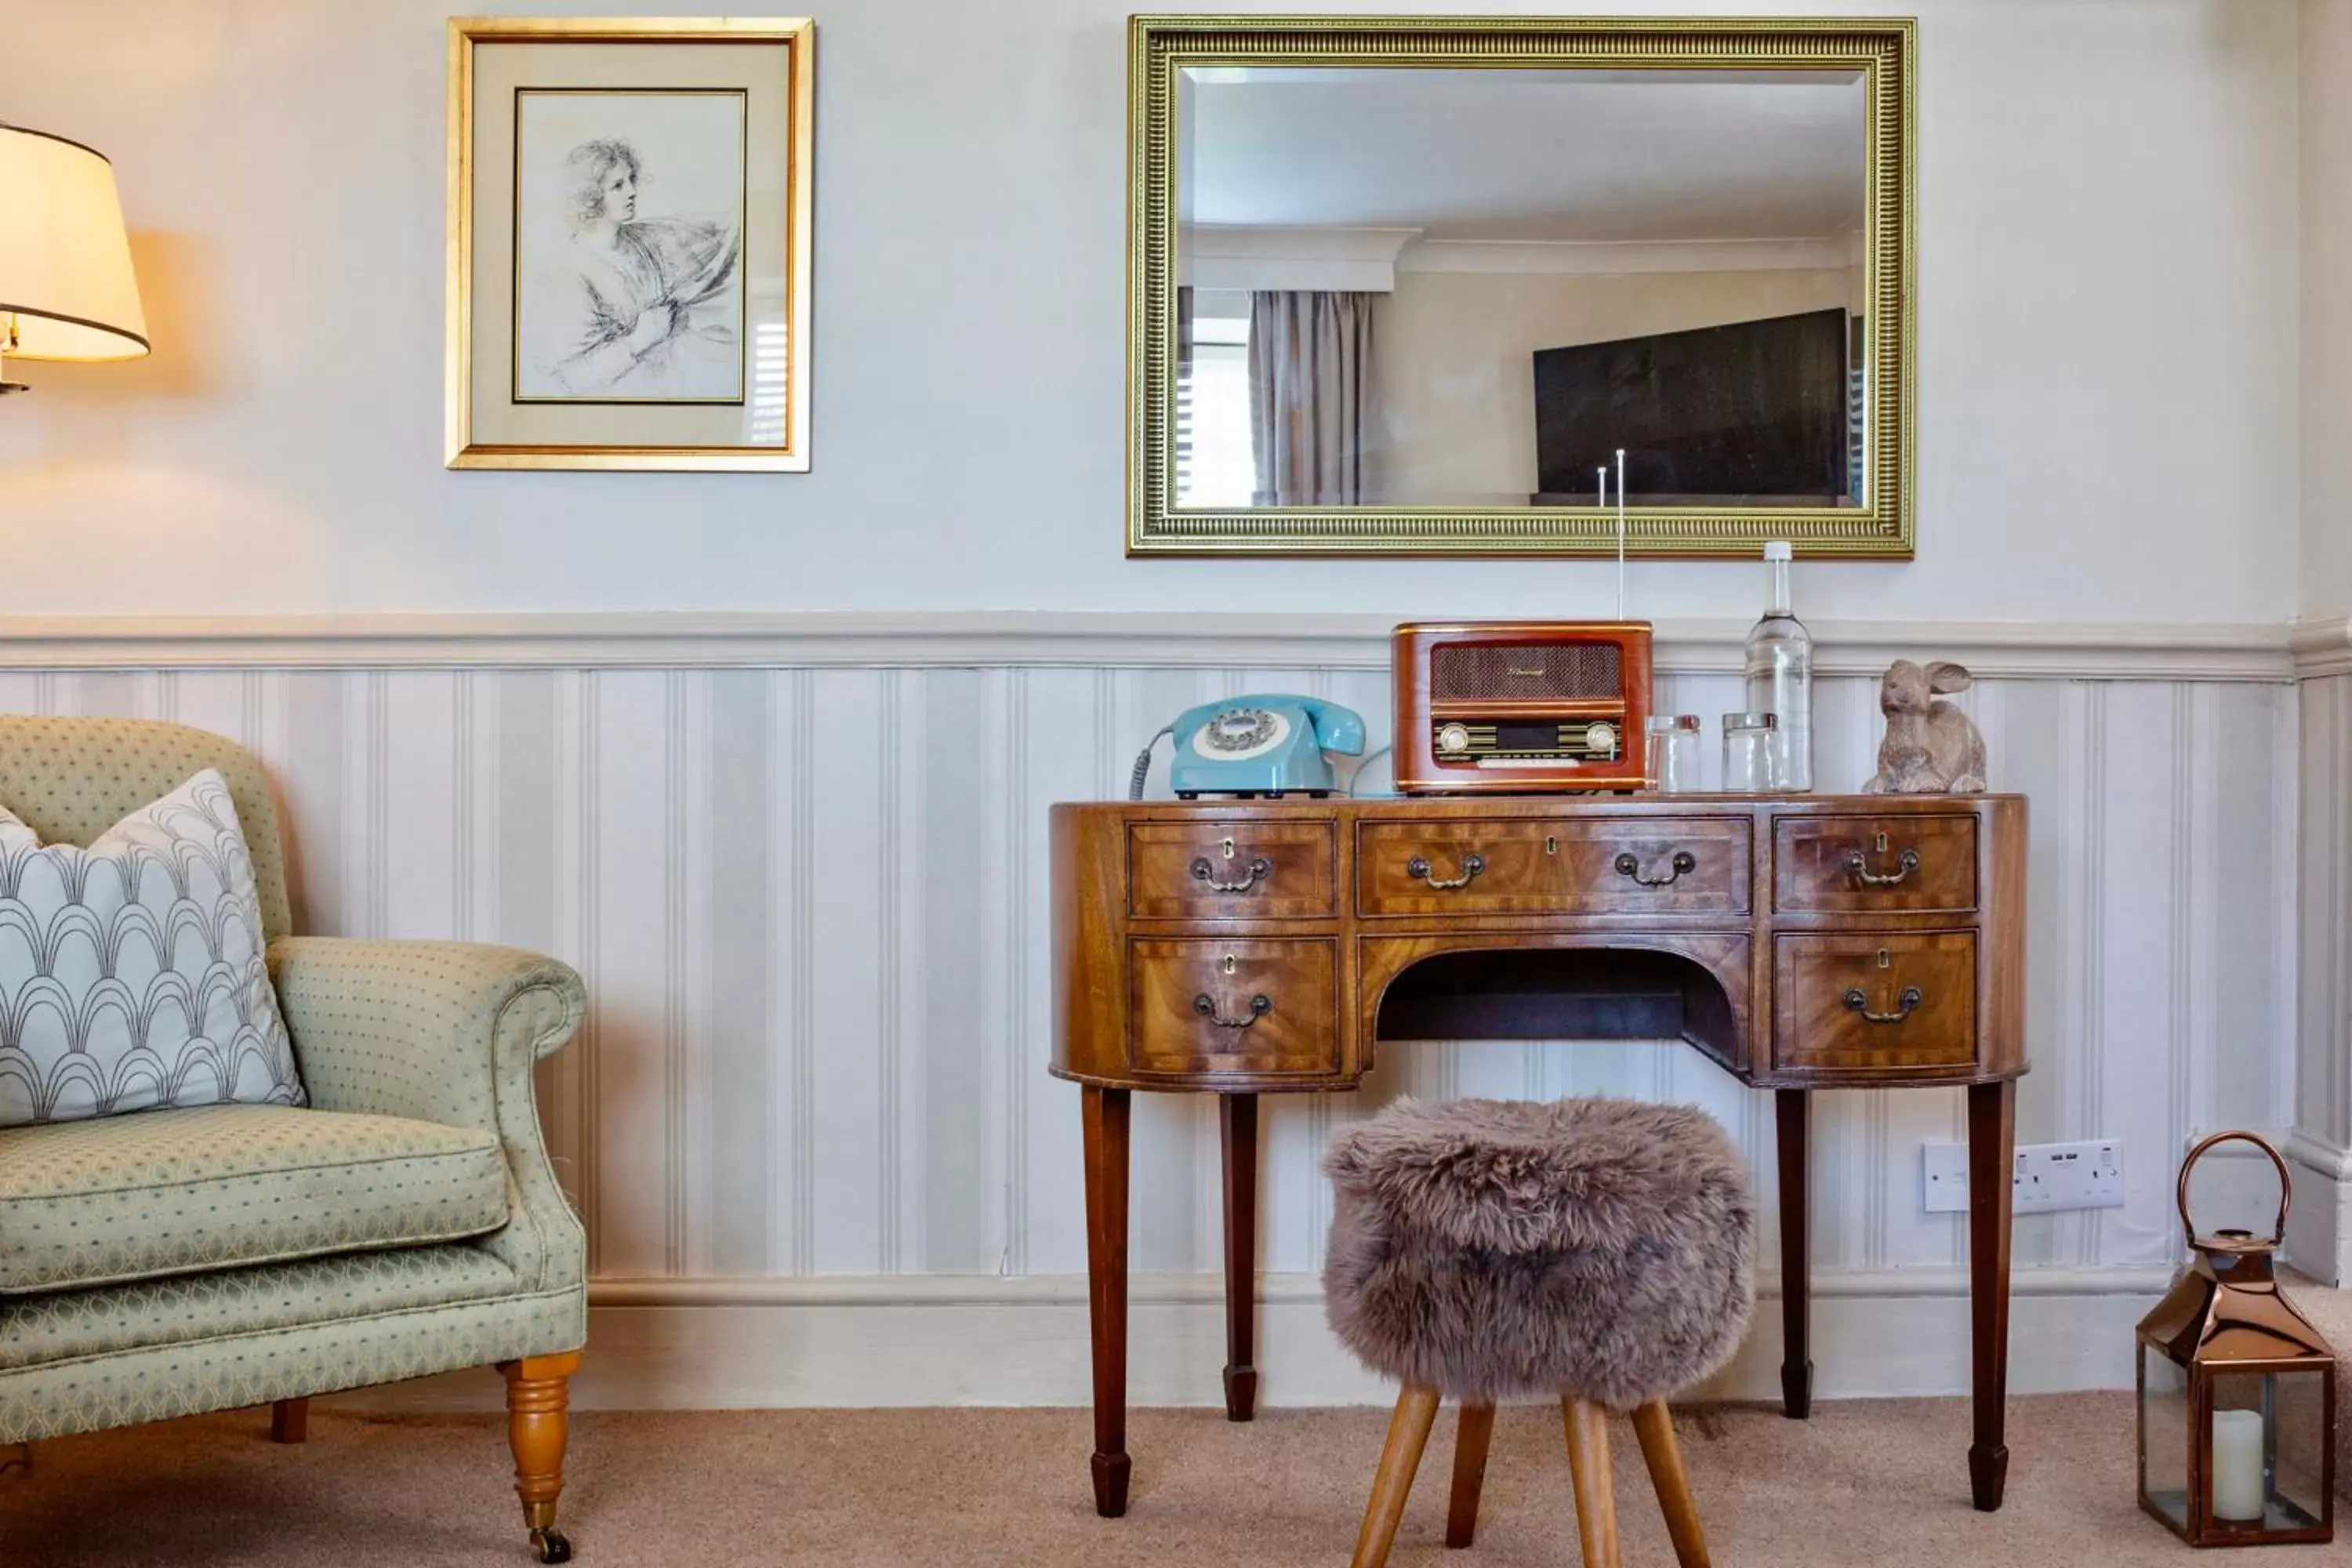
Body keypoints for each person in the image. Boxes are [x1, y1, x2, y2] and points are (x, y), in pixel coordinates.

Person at [521, 138, 740, 398]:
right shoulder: (566, 275)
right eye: (618, 186)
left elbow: (713, 242)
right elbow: (570, 378)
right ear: (590, 196)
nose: (632, 191)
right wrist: (639, 341)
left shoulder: (642, 239)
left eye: (630, 180)